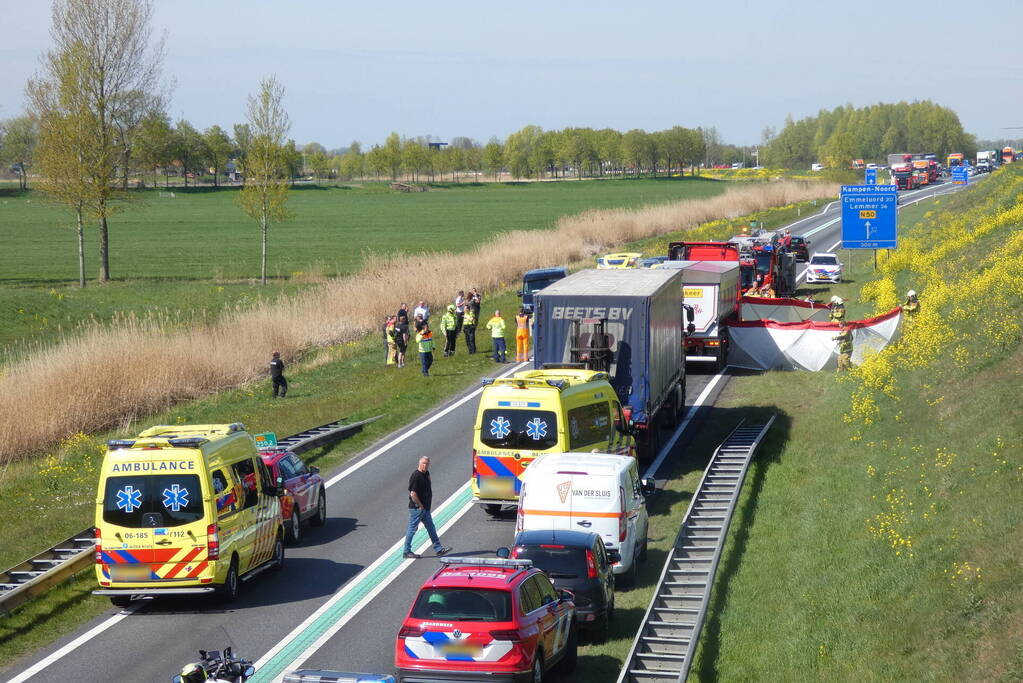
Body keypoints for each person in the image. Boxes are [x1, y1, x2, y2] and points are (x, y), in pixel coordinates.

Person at [403, 456, 451, 559]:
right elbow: (413, 494)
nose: (425, 465)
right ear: (419, 463)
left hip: (425, 508)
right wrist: (421, 506)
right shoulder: (416, 476)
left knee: (431, 528)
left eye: (427, 464)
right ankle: (406, 551)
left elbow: (428, 484)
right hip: (417, 508)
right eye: (423, 463)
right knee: (412, 529)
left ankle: (438, 549)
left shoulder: (426, 473)